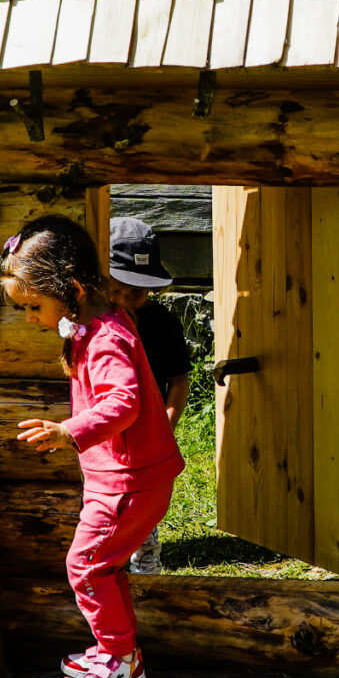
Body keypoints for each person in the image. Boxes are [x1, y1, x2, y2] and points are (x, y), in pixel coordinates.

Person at [3, 215, 180, 678]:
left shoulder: (105, 338)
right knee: (105, 566)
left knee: (85, 566)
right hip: (122, 477)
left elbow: (125, 404)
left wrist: (68, 431)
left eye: (34, 306)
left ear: (72, 287)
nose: (30, 317)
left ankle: (122, 663)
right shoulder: (95, 322)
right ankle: (116, 650)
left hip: (128, 482)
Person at [98, 216, 198, 577]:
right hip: (103, 433)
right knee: (105, 502)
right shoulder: (95, 322)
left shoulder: (163, 323)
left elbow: (179, 380)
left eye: (142, 288)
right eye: (125, 286)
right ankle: (108, 562)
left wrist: (164, 427)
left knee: (144, 501)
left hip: (148, 430)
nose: (134, 296)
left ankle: (147, 559)